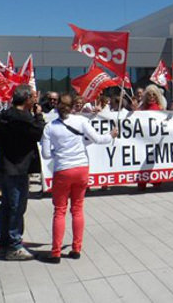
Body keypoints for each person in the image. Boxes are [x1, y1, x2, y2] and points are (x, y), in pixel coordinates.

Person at [41, 94, 118, 262]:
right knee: (77, 209)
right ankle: (76, 248)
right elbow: (98, 139)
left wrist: (58, 153)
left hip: (62, 169)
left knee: (59, 211)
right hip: (81, 168)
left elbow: (46, 154)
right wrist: (111, 135)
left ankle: (55, 252)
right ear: (73, 107)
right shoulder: (81, 122)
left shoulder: (49, 127)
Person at [0, 85, 46, 260]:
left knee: (7, 205)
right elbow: (38, 132)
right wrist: (39, 115)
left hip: (6, 165)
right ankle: (14, 245)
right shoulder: (23, 118)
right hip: (18, 167)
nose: (36, 100)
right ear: (27, 98)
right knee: (17, 206)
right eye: (34, 97)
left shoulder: (4, 116)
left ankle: (5, 241)